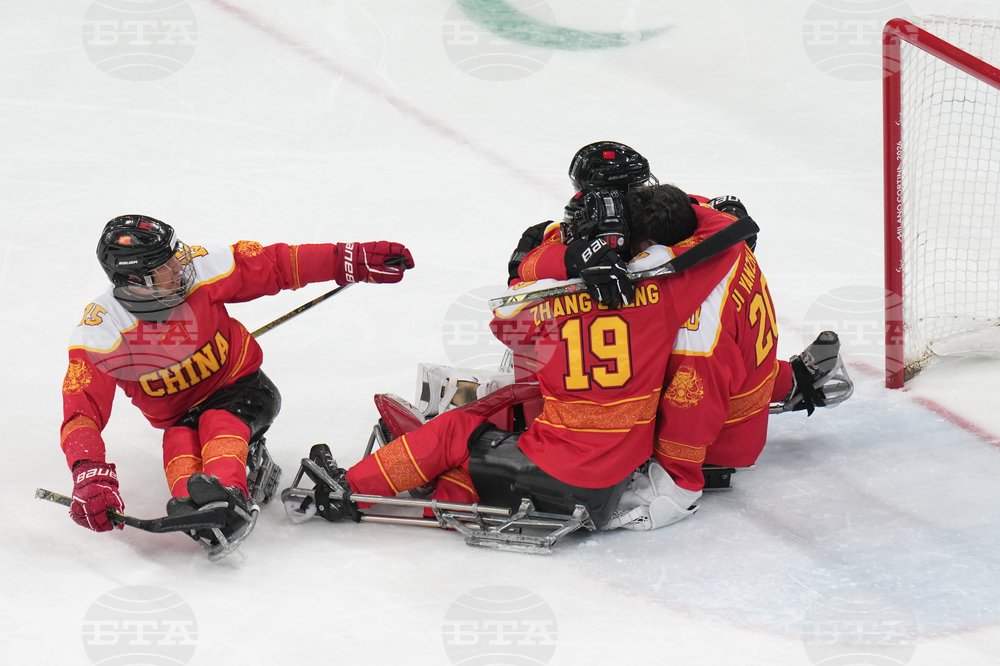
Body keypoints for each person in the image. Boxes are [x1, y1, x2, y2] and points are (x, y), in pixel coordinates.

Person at [294, 185, 747, 527]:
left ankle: (348, 489)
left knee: (457, 428)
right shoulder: (666, 293)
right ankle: (455, 489)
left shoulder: (538, 302)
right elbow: (728, 234)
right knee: (482, 438)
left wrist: (569, 261)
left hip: (557, 472)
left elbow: (504, 328)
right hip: (617, 476)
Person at [60, 214, 413, 559]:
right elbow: (81, 415)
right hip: (181, 418)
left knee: (219, 423)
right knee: (179, 444)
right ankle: (198, 511)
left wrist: (345, 259)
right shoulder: (101, 334)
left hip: (243, 388)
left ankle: (230, 496)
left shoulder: (201, 267)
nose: (181, 267)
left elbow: (276, 264)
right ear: (136, 281)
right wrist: (89, 474)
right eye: (167, 267)